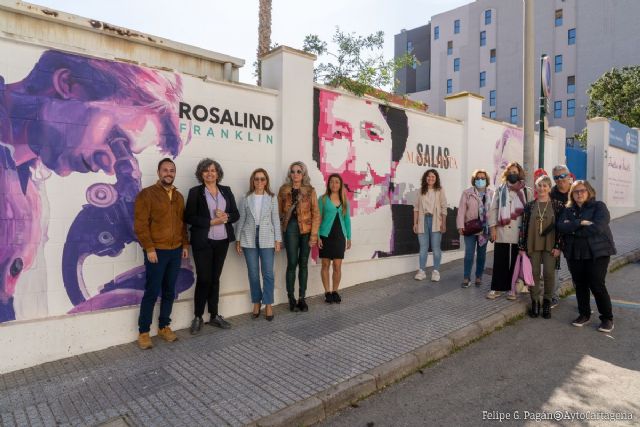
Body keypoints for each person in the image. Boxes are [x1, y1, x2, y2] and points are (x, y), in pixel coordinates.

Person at [0, 49, 190, 323]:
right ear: (67, 85)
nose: (111, 164)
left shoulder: (32, 189)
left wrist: (90, 311)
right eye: (116, 140)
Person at [133, 158, 189, 350]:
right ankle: (143, 332)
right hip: (156, 252)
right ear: (159, 173)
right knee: (151, 292)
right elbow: (140, 225)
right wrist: (149, 248)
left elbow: (182, 224)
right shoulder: (147, 194)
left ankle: (164, 326)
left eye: (172, 170)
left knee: (169, 291)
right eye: (165, 170)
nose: (168, 173)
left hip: (175, 251)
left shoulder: (179, 196)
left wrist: (185, 245)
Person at [185, 158, 239, 334]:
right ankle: (198, 316)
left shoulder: (226, 191)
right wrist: (211, 221)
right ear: (201, 174)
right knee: (204, 278)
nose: (210, 173)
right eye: (206, 170)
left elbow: (235, 214)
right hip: (203, 242)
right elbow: (189, 217)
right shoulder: (195, 192)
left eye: (213, 170)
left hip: (222, 241)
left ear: (218, 173)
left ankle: (214, 315)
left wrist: (226, 216)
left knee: (215, 278)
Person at [558, 180, 615, 332]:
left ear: (589, 191)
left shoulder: (599, 206)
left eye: (582, 190)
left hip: (597, 252)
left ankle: (607, 318)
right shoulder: (567, 209)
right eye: (576, 191)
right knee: (580, 284)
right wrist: (579, 222)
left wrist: (574, 230)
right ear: (572, 194)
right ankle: (584, 314)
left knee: (596, 284)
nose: (579, 194)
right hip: (574, 253)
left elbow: (599, 227)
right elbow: (561, 226)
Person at [235, 169, 281, 321]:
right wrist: (238, 240)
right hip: (249, 237)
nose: (259, 182)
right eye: (256, 179)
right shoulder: (246, 198)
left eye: (262, 179)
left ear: (266, 181)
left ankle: (268, 303)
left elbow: (275, 219)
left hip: (267, 237)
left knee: (268, 273)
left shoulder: (272, 198)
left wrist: (278, 240)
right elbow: (241, 219)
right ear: (252, 181)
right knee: (253, 273)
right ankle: (256, 302)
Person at [518, 175, 564, 318]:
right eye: (539, 185)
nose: (542, 188)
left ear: (549, 187)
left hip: (551, 246)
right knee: (534, 274)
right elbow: (523, 227)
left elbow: (561, 228)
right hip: (532, 245)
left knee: (549, 274)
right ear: (536, 188)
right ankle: (535, 302)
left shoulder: (557, 205)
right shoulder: (529, 206)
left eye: (545, 185)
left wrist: (559, 246)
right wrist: (521, 247)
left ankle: (547, 302)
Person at [278, 161, 320, 312]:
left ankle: (302, 298)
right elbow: (279, 213)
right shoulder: (283, 190)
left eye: (298, 171)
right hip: (291, 228)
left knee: (303, 264)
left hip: (307, 229)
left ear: (303, 174)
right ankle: (291, 298)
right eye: (293, 171)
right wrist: (278, 234)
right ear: (290, 174)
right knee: (292, 263)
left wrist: (314, 235)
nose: (295, 174)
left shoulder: (310, 190)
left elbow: (316, 213)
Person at [487, 162, 533, 300]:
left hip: (519, 232)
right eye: (511, 172)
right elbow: (493, 209)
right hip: (501, 230)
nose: (513, 174)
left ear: (520, 174)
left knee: (515, 260)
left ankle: (512, 288)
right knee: (500, 260)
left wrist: (528, 233)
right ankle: (497, 287)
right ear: (507, 174)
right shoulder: (500, 190)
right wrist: (492, 228)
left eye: (516, 172)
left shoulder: (527, 191)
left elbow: (530, 212)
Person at [318, 174, 352, 303]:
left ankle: (335, 291)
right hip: (325, 235)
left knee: (337, 266)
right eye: (332, 182)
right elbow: (317, 218)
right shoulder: (323, 199)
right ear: (329, 184)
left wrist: (349, 237)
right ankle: (327, 292)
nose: (334, 184)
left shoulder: (344, 200)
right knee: (325, 264)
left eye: (337, 182)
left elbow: (347, 220)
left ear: (340, 184)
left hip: (339, 236)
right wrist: (317, 235)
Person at [457, 169, 494, 288]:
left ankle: (479, 276)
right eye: (478, 178)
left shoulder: (491, 194)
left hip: (484, 230)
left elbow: (494, 212)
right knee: (469, 254)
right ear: (474, 180)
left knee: (482, 255)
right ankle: (466, 277)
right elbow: (461, 211)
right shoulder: (467, 193)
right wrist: (460, 226)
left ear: (486, 180)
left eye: (483, 178)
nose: (480, 180)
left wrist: (494, 228)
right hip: (470, 228)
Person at [413, 169, 447, 282]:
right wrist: (415, 223)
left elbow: (444, 208)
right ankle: (421, 271)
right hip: (423, 221)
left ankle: (436, 271)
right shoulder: (420, 191)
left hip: (436, 221)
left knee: (436, 248)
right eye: (428, 176)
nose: (430, 178)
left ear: (436, 178)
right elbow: (416, 208)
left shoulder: (440, 190)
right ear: (425, 178)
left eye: (433, 176)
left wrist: (444, 223)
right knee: (423, 247)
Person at [549, 164, 574, 308]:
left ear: (569, 176)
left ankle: (583, 302)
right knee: (553, 270)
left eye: (563, 176)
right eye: (556, 177)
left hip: (573, 238)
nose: (560, 179)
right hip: (554, 237)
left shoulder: (576, 191)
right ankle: (553, 297)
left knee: (576, 270)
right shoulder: (551, 194)